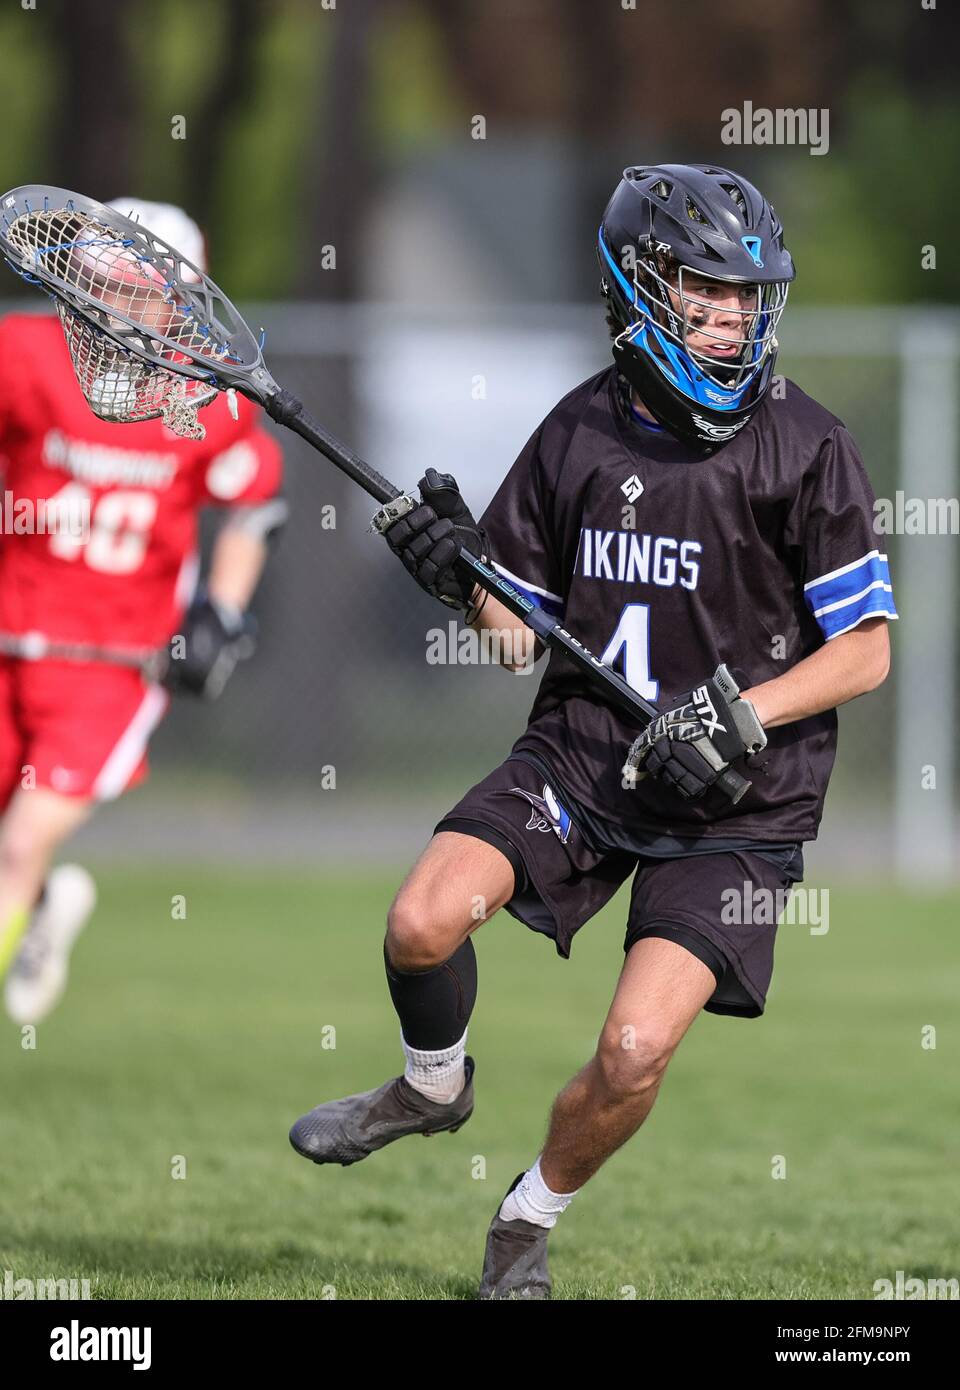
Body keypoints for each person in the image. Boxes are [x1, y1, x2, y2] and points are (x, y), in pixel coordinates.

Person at [288, 164, 896, 1298]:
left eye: (748, 296)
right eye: (705, 293)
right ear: (639, 288)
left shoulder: (810, 448)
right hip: (586, 757)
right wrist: (456, 576)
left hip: (738, 805)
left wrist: (740, 712)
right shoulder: (577, 431)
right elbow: (520, 636)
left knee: (631, 1051)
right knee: (421, 921)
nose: (732, 318)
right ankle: (430, 1084)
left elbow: (867, 649)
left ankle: (528, 1216)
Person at [0, 199, 286, 1025]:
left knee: (20, 842)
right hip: (11, 636)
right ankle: (48, 905)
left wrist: (220, 614)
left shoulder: (204, 394)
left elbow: (253, 509)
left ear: (178, 301)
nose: (111, 311)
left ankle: (35, 889)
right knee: (13, 847)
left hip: (113, 664)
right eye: (96, 288)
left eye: (132, 295)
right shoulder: (24, 355)